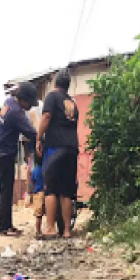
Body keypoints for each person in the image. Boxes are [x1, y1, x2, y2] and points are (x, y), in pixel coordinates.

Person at [37, 68, 79, 239]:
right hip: (72, 148)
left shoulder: (52, 97)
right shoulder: (73, 104)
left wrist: (39, 138)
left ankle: (50, 228)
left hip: (55, 148)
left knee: (51, 189)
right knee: (67, 191)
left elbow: (46, 116)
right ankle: (67, 231)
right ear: (68, 85)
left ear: (55, 82)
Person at [0, 82, 38, 237]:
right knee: (6, 192)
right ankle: (4, 228)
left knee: (5, 191)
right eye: (29, 104)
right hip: (5, 155)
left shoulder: (9, 102)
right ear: (23, 100)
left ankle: (7, 225)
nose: (30, 107)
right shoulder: (16, 113)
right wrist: (44, 138)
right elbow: (31, 133)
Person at [30, 151, 45, 238]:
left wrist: (31, 193)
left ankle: (38, 231)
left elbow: (32, 182)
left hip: (37, 194)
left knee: (38, 215)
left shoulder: (35, 170)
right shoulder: (46, 170)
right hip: (46, 193)